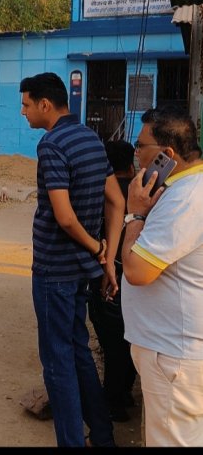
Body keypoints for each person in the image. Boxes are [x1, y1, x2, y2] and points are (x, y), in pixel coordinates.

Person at [19, 72, 124, 448]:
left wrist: (99, 250)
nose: (23, 112)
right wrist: (107, 258)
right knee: (78, 349)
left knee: (57, 362)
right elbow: (117, 201)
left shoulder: (51, 144)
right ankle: (103, 433)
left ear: (45, 104)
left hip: (54, 271)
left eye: (26, 104)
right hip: (81, 272)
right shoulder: (92, 139)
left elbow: (64, 217)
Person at [121, 106, 203, 447]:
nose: (136, 153)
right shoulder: (183, 190)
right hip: (174, 349)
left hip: (173, 356)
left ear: (167, 155)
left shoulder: (185, 199)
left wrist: (134, 214)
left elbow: (137, 271)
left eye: (141, 146)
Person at [87, 140, 137, 422]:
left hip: (107, 273)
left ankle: (113, 401)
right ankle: (124, 393)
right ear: (131, 164)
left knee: (113, 344)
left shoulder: (100, 192)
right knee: (130, 340)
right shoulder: (148, 191)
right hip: (137, 275)